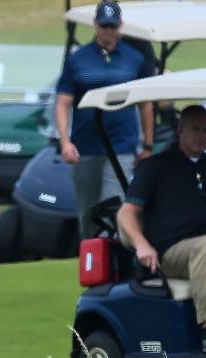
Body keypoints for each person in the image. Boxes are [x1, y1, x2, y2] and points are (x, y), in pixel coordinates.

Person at [117, 105, 206, 354]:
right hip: (171, 250)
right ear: (180, 130)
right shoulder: (156, 167)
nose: (202, 136)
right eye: (195, 129)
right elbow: (127, 213)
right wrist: (141, 244)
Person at [56, 1, 154, 239]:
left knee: (116, 207)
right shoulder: (78, 59)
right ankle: (91, 264)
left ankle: (115, 263)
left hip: (122, 146)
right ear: (95, 25)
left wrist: (148, 145)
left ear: (120, 26)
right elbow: (62, 102)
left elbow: (145, 104)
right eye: (104, 26)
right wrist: (65, 142)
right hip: (86, 147)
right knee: (88, 213)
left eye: (112, 26)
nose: (108, 31)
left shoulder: (134, 59)